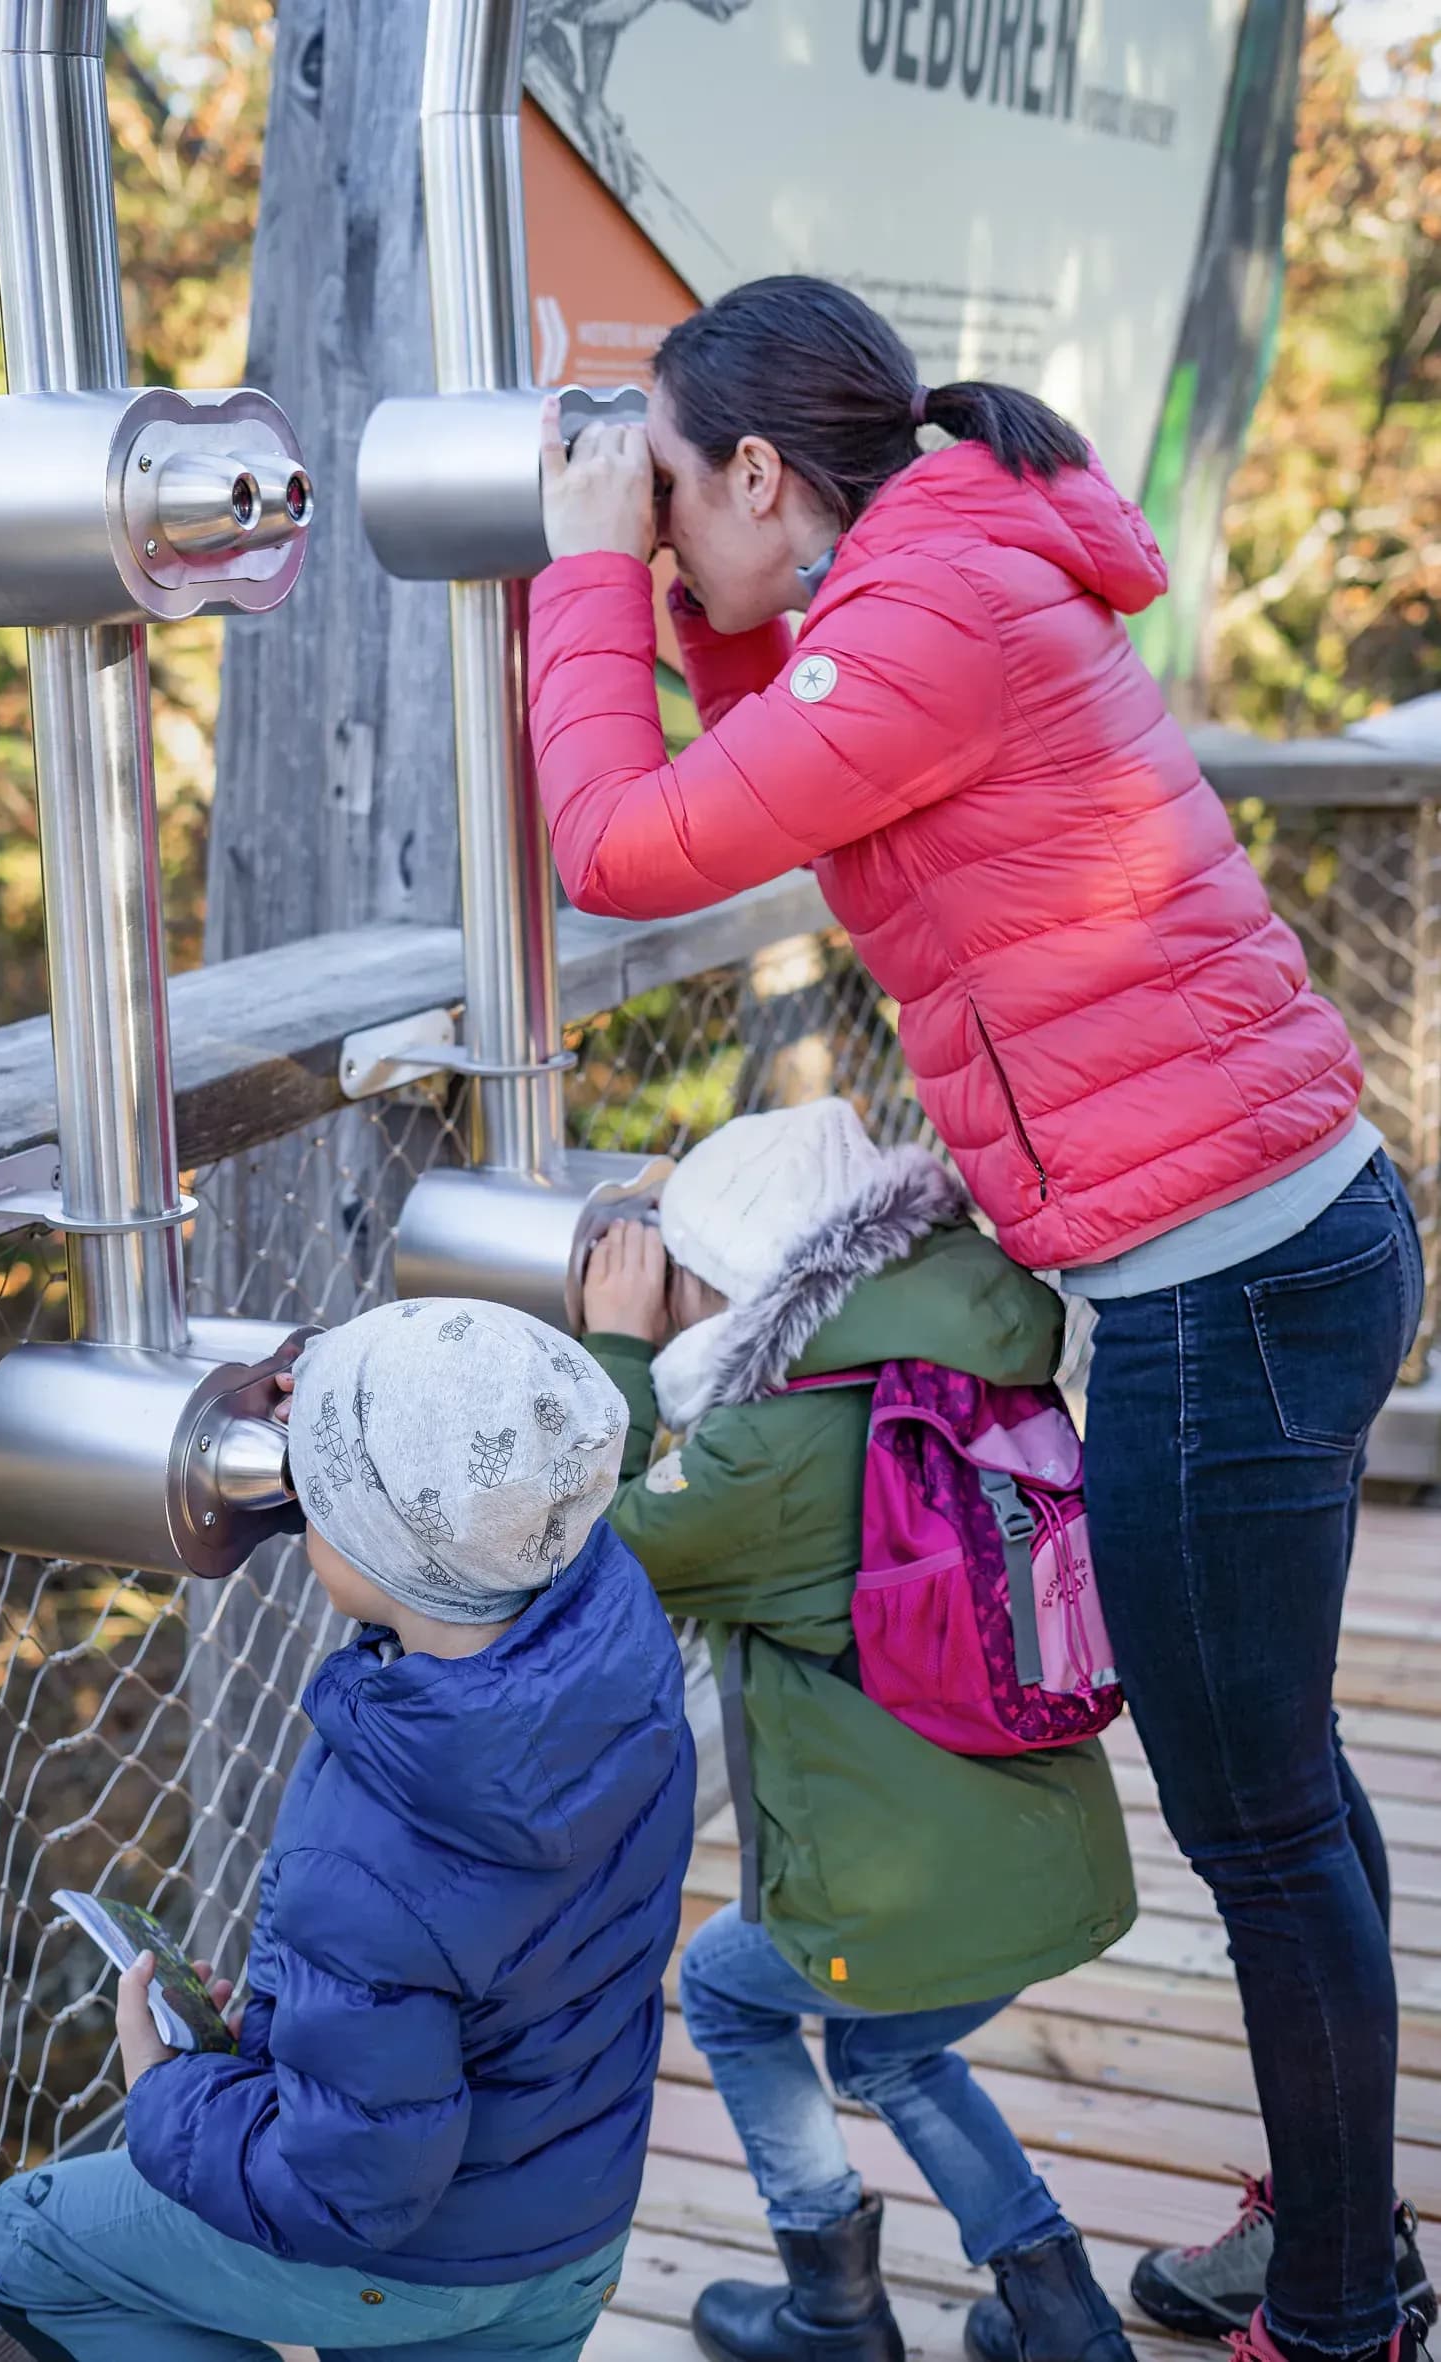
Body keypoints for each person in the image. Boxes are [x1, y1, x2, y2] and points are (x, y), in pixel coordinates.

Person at [529, 274, 1431, 2362]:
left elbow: (620, 841)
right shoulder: (939, 570)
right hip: (1264, 1245)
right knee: (1291, 1785)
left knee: (1261, 1821)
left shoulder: (925, 626)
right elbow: (773, 715)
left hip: (1220, 1287)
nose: (653, 532)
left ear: (761, 470)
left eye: (673, 492)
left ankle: (1334, 2305)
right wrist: (641, 569)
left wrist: (583, 581)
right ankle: (1335, 2227)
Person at [0, 1299, 695, 2362]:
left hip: (410, 2266)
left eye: (313, 1493)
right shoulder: (615, 1644)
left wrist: (171, 2093)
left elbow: (346, 2188)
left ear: (376, 1542)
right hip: (568, 2227)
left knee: (27, 2240)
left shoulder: (371, 1841)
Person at [580, 1095, 1138, 2362]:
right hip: (1045, 1840)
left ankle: (840, 2307)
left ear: (731, 1280)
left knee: (752, 2003)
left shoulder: (766, 1453)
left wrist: (615, 1350)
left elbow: (594, 1557)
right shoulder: (961, 1347)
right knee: (880, 2040)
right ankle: (1058, 2314)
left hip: (922, 1892)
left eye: (676, 1269)